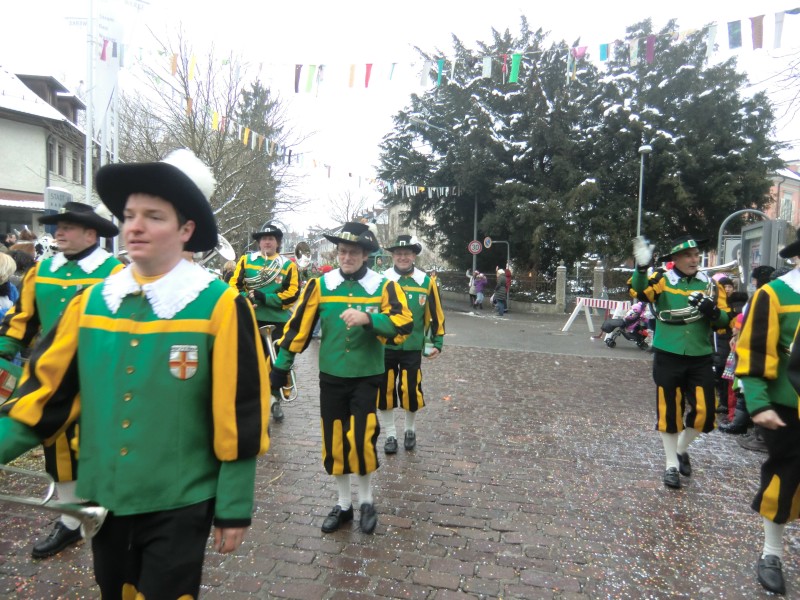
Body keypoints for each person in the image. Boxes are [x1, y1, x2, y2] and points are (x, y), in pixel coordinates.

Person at [0, 149, 269, 597]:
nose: (135, 226)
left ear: (186, 230)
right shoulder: (91, 303)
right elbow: (41, 400)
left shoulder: (220, 304)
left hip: (182, 501)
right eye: (128, 215)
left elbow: (240, 412)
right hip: (105, 498)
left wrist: (234, 506)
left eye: (154, 216)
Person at [270, 221, 412, 535]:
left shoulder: (383, 287)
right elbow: (298, 329)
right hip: (332, 376)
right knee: (335, 441)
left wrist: (370, 319)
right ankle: (343, 504)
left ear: (365, 255)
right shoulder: (321, 286)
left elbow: (403, 324)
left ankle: (367, 501)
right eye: (343, 251)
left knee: (361, 438)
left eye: (354, 252)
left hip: (367, 375)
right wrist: (281, 366)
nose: (347, 257)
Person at [0, 201, 123, 558]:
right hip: (53, 377)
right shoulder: (41, 271)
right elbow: (22, 320)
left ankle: (108, 510)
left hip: (102, 377)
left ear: (91, 233)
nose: (58, 233)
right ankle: (72, 520)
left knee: (101, 445)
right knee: (59, 448)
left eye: (67, 227)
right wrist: (4, 347)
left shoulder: (114, 272)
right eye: (57, 227)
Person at [631, 235, 730, 489]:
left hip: (699, 356)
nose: (694, 259)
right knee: (670, 413)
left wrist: (713, 312)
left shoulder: (710, 285)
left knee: (706, 413)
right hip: (668, 355)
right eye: (688, 255)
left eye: (696, 255)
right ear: (675, 260)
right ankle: (671, 466)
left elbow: (725, 321)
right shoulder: (662, 279)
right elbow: (640, 292)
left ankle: (679, 450)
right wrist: (642, 268)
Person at [736, 230, 800, 596]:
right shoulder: (774, 294)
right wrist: (758, 404)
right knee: (784, 479)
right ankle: (771, 552)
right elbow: (756, 351)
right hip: (787, 408)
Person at [377, 234, 445, 454]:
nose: (402, 257)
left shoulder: (426, 282)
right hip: (385, 346)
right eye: (398, 254)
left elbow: (435, 312)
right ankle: (390, 434)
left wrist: (438, 340)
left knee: (410, 390)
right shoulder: (382, 280)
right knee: (385, 390)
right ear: (393, 256)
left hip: (413, 346)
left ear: (414, 255)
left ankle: (410, 430)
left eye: (407, 254)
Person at [230, 223, 299, 422]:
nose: (267, 242)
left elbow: (293, 294)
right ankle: (251, 401)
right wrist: (247, 299)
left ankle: (274, 399)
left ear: (277, 242)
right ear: (259, 242)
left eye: (271, 239)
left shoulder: (287, 265)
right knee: (249, 362)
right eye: (263, 239)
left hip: (277, 321)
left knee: (276, 363)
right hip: (250, 318)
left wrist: (266, 298)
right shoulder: (246, 261)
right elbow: (233, 286)